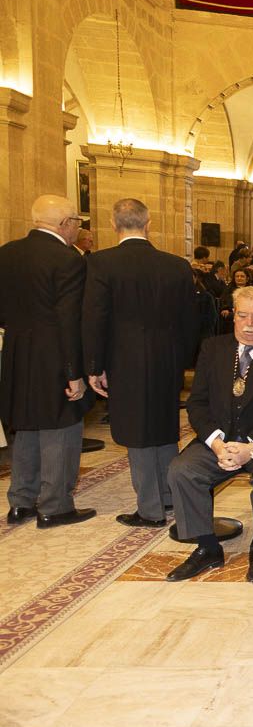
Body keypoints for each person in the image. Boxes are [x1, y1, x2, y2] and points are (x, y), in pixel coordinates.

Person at [165, 287, 253, 582]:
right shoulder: (213, 348)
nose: (249, 324)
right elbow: (197, 403)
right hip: (219, 438)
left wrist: (250, 447)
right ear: (233, 316)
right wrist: (216, 444)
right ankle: (206, 546)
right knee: (182, 470)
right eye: (242, 315)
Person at [84, 198, 195, 529]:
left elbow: (94, 319)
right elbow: (190, 321)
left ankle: (150, 509)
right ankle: (170, 495)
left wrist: (94, 364)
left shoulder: (101, 263)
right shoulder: (176, 265)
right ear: (148, 224)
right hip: (167, 360)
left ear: (113, 224)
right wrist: (181, 360)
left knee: (137, 432)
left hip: (124, 360)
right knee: (163, 427)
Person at [0, 195, 96, 528]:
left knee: (26, 425)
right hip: (55, 357)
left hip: (16, 354)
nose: (78, 229)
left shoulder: (7, 252)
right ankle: (55, 506)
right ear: (65, 223)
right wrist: (74, 373)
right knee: (62, 427)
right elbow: (69, 319)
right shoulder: (67, 259)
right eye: (77, 223)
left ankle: (20, 501)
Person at [219, 268, 250, 334]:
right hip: (231, 317)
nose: (239, 278)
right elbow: (224, 301)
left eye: (242, 276)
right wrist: (225, 309)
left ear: (247, 279)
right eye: (237, 276)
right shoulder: (228, 289)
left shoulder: (251, 290)